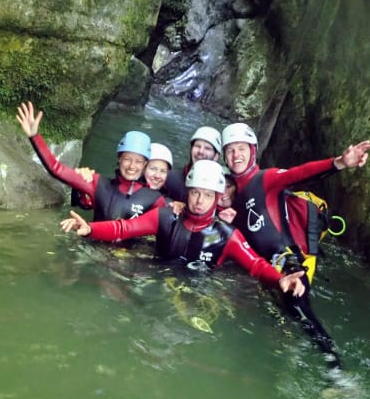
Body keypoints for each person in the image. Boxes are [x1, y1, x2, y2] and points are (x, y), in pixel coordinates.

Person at [221, 122, 370, 367]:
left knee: (299, 311)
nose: (236, 155)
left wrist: (339, 163)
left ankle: (336, 370)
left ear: (252, 151)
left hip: (290, 265)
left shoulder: (265, 179)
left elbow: (300, 173)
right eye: (230, 150)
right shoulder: (230, 195)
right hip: (265, 270)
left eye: (241, 148)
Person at [60, 160, 307, 300]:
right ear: (187, 193)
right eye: (195, 192)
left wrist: (280, 279)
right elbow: (124, 228)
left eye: (208, 195)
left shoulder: (227, 235)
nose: (200, 200)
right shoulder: (165, 217)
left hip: (200, 290)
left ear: (217, 198)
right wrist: (90, 228)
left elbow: (255, 265)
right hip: (155, 277)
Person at [16, 101, 165, 220]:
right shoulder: (98, 184)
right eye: (127, 159)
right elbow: (56, 168)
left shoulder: (154, 199)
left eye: (138, 161)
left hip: (132, 257)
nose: (132, 166)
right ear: (119, 159)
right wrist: (34, 135)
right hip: (95, 250)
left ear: (145, 164)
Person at [162, 126, 223, 201]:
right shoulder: (171, 178)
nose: (201, 151)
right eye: (197, 146)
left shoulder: (222, 188)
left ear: (216, 156)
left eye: (207, 148)